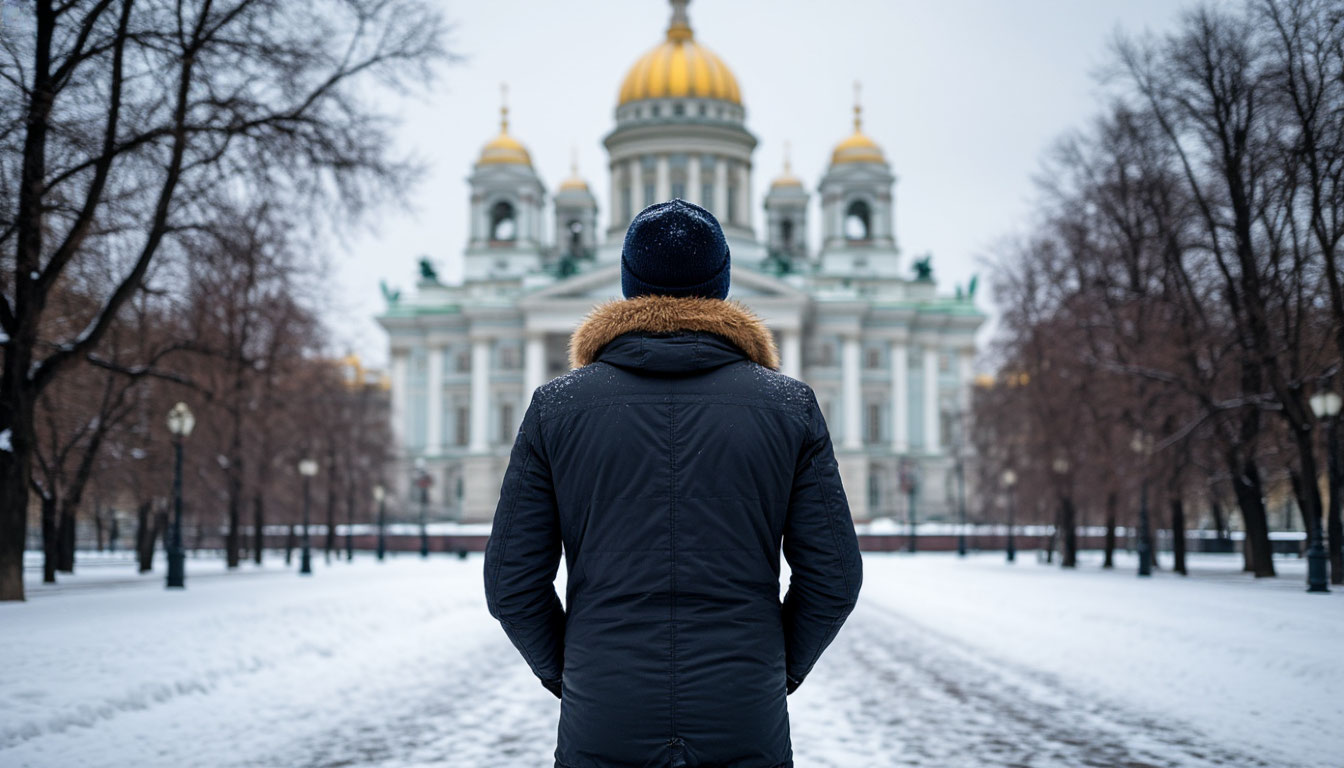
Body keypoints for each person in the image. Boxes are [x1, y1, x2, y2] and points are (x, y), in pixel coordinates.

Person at [484, 199, 862, 768]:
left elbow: (509, 584)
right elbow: (835, 579)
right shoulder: (790, 406)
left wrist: (574, 671)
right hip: (743, 713)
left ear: (628, 285)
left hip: (603, 713)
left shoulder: (555, 407)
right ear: (722, 285)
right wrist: (771, 669)